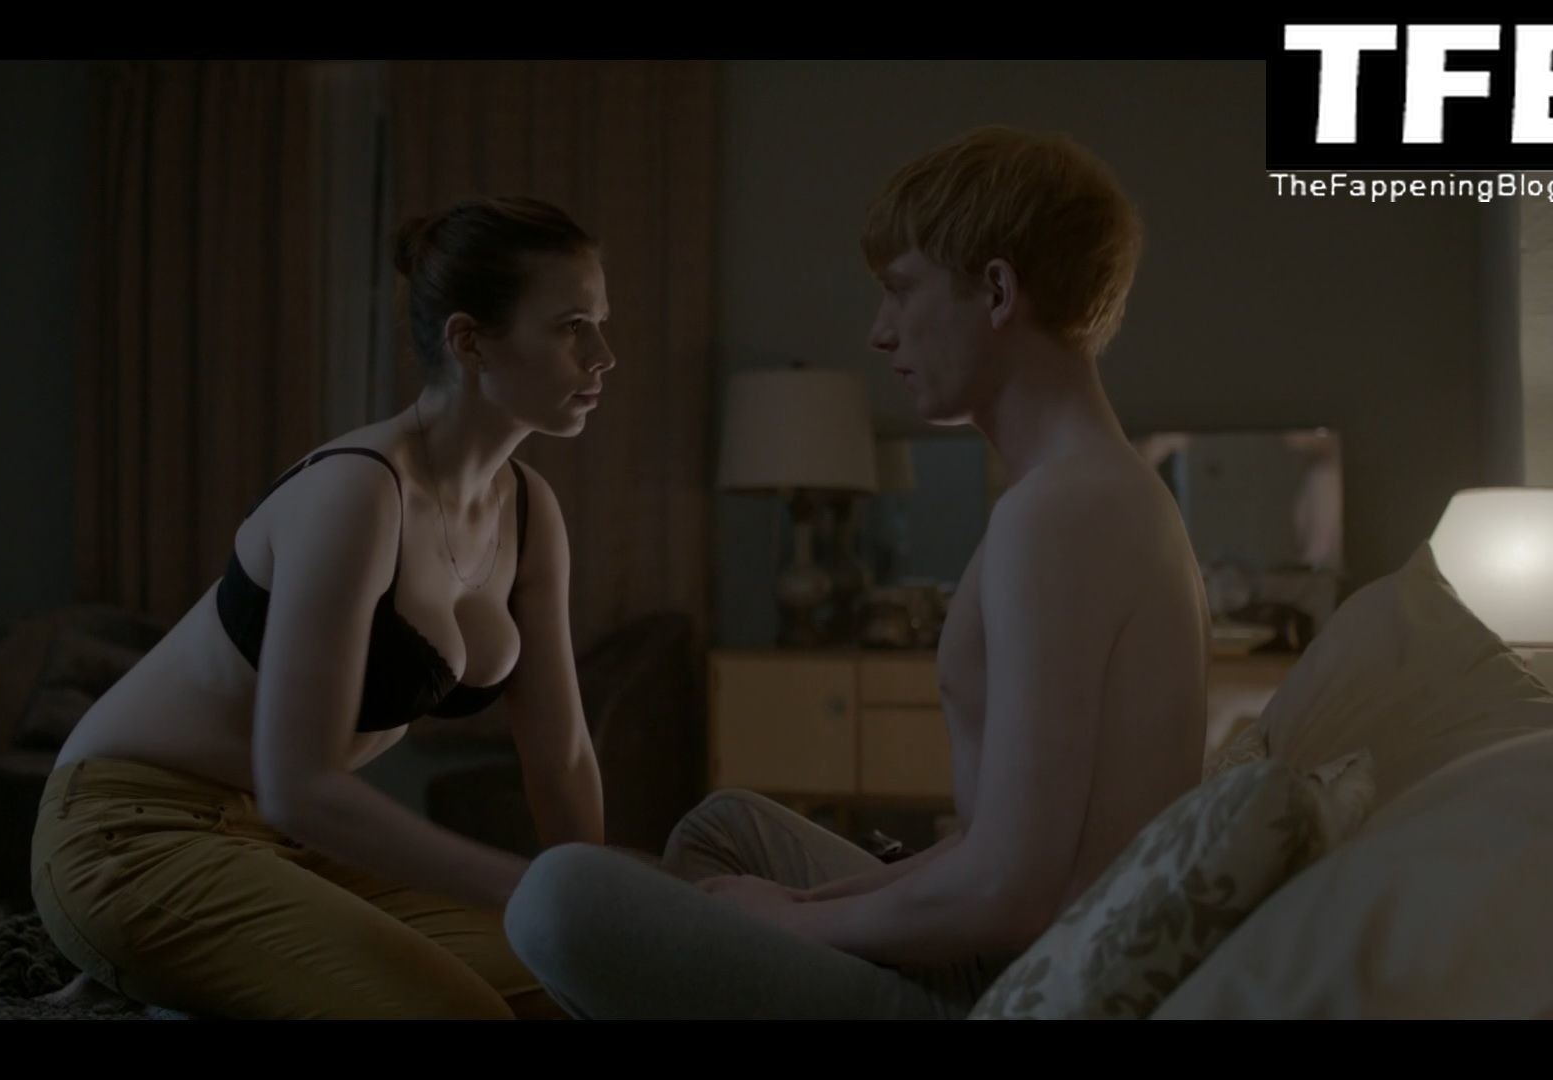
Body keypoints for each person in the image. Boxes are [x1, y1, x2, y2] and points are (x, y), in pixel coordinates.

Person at [502, 127, 1210, 1019]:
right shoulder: (1084, 491)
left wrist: (790, 925)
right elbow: (1000, 846)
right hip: (1002, 945)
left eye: (901, 290)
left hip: (1015, 991)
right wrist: (799, 903)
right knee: (725, 829)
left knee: (558, 896)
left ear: (997, 291)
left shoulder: (1065, 513)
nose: (880, 331)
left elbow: (1011, 891)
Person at [32, 195, 616, 1019]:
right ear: (469, 341)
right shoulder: (358, 491)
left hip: (283, 846)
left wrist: (595, 924)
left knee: (580, 994)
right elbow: (298, 786)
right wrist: (525, 886)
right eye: (572, 327)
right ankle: (151, 960)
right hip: (132, 830)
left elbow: (561, 761)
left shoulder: (530, 510)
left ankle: (188, 984)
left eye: (600, 325)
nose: (603, 356)